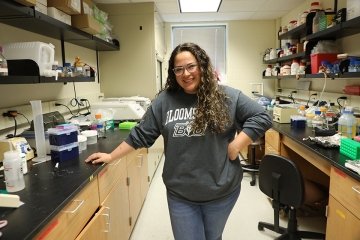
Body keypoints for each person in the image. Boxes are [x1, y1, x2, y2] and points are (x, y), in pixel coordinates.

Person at [86, 42, 272, 240]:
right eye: (179, 69)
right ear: (173, 73)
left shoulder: (227, 96)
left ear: (202, 66)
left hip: (221, 191)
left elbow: (262, 117)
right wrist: (110, 156)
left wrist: (237, 144)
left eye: (191, 66)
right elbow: (141, 134)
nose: (186, 74)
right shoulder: (164, 101)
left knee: (213, 237)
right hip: (181, 194)